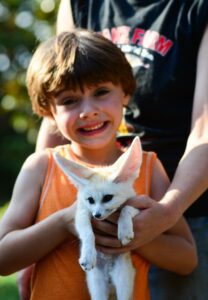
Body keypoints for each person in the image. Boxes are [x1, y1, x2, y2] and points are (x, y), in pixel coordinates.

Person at [0, 30, 197, 300]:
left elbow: (187, 259)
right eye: (69, 100)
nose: (88, 111)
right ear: (49, 110)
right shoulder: (41, 167)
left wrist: (138, 234)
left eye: (101, 92)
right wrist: (64, 222)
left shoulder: (149, 168)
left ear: (125, 93)